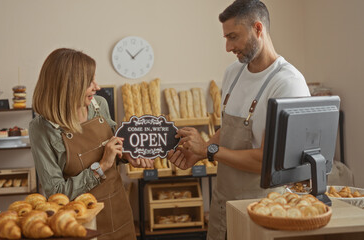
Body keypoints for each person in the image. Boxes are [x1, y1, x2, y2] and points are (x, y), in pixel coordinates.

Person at [168, 0, 310, 239]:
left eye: (233, 37)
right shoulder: (233, 73)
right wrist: (199, 152)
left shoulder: (287, 84)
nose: (227, 47)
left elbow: (268, 161)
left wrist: (209, 149)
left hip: (263, 208)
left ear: (258, 29)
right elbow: (230, 128)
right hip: (224, 202)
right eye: (225, 38)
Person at [29, 48, 152, 240]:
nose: (97, 86)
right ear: (68, 86)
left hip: (119, 211)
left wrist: (126, 154)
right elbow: (56, 193)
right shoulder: (41, 129)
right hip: (79, 223)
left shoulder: (99, 105)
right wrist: (101, 166)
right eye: (89, 82)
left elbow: (113, 149)